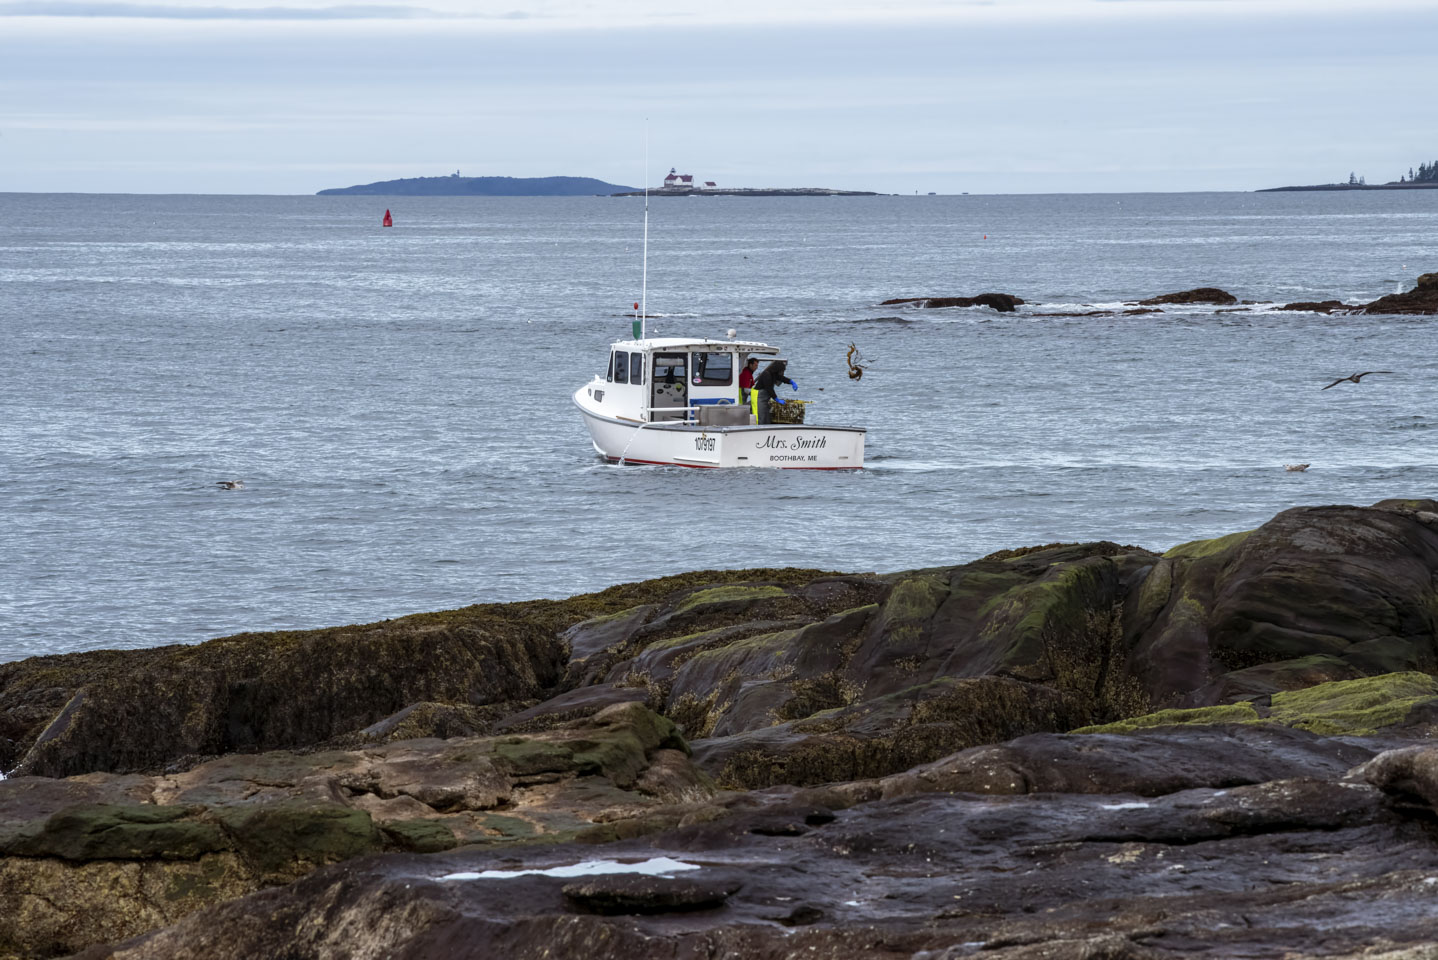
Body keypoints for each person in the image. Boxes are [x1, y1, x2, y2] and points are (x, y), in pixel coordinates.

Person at [753, 359, 797, 425]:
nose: (782, 372)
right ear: (777, 369)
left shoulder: (773, 374)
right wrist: (776, 399)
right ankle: (757, 431)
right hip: (757, 397)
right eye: (781, 371)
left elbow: (781, 378)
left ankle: (766, 430)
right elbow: (769, 389)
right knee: (760, 417)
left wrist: (791, 382)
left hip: (764, 398)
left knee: (766, 417)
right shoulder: (767, 374)